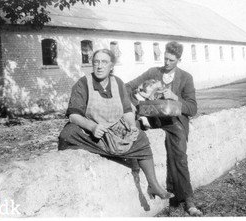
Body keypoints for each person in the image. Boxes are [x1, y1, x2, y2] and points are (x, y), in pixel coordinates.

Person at [58, 49, 173, 201]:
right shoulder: (83, 83)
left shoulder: (118, 83)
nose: (99, 66)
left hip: (114, 128)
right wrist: (92, 127)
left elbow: (127, 111)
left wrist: (131, 125)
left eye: (104, 62)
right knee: (68, 133)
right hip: (93, 130)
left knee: (141, 137)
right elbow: (73, 115)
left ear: (111, 66)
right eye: (96, 62)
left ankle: (153, 185)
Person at [125, 42, 203, 216]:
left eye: (171, 60)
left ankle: (187, 199)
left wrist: (175, 98)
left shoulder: (185, 78)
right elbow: (128, 86)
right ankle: (151, 188)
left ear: (179, 60)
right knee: (134, 133)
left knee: (179, 156)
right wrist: (139, 102)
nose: (167, 63)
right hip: (153, 119)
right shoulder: (154, 72)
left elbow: (193, 108)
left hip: (175, 122)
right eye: (165, 58)